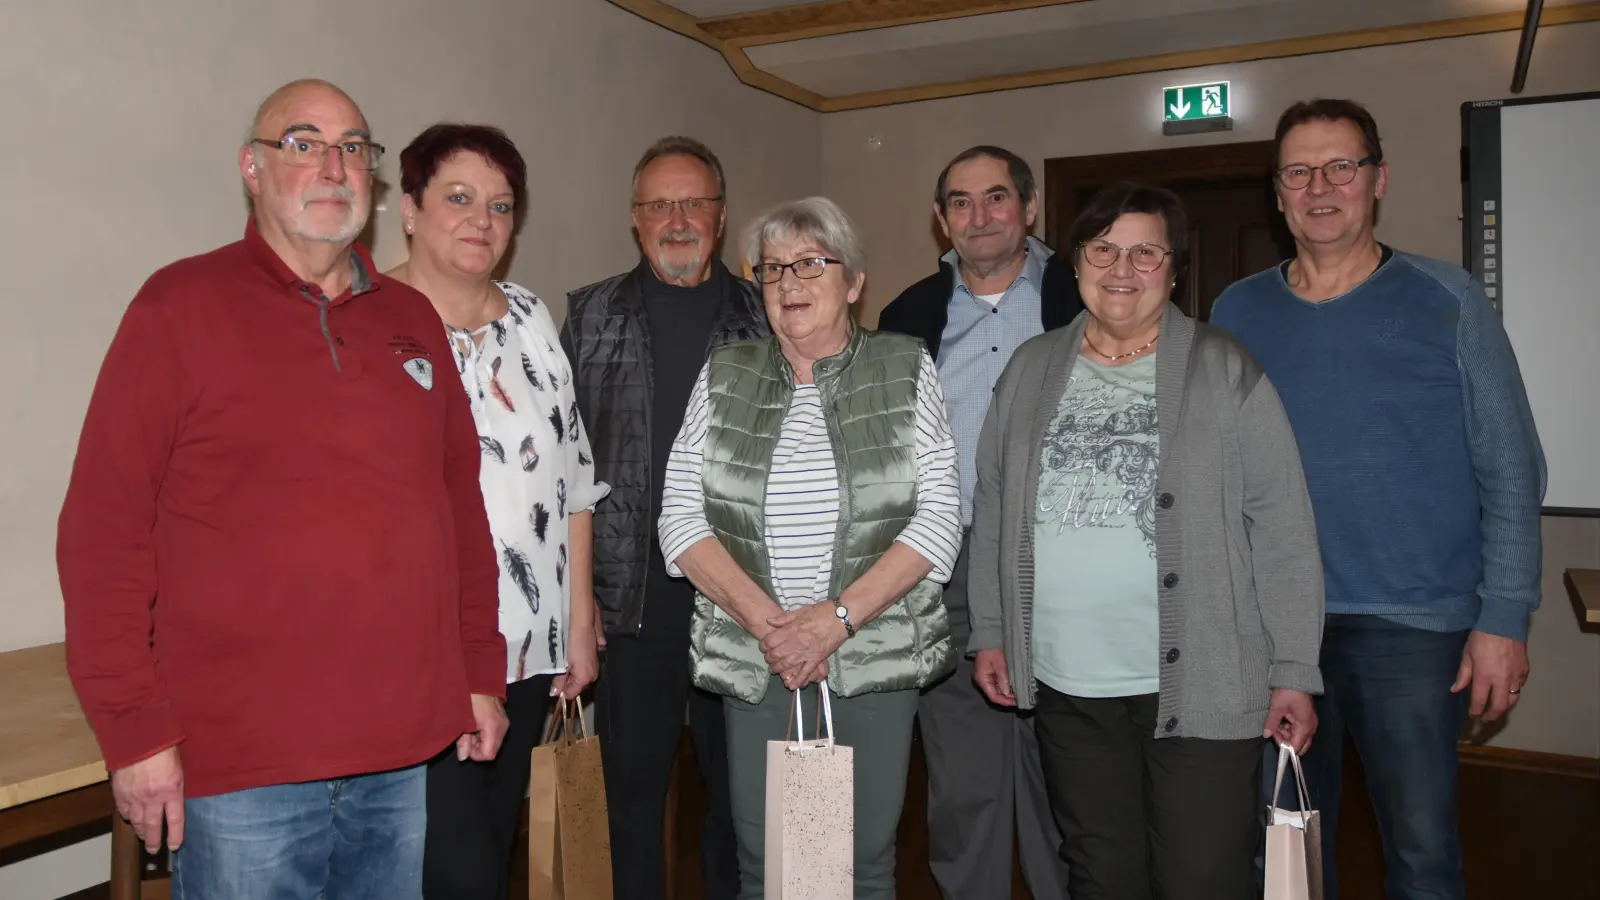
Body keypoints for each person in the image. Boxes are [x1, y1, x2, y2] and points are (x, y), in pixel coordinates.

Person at [56, 80, 507, 900]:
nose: (333, 166)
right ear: (252, 170)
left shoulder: (412, 321)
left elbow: (459, 515)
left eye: (353, 149)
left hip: (399, 755)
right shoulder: (177, 307)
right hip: (241, 771)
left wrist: (480, 670)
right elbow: (101, 533)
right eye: (303, 144)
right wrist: (133, 733)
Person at [1211, 99, 1546, 900]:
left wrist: (1502, 618)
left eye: (1342, 166)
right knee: (1286, 850)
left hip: (1414, 627)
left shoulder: (1447, 298)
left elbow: (1512, 467)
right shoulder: (1236, 312)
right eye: (1299, 170)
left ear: (1378, 179)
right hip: (1278, 627)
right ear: (1278, 191)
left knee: (1423, 855)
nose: (1320, 186)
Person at [968, 182, 1326, 900]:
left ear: (1173, 268)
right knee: (1101, 873)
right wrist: (991, 630)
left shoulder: (1226, 369)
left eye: (1144, 252)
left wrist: (1294, 667)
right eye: (1103, 250)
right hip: (1070, 683)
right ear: (1076, 263)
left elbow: (1282, 524)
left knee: (1201, 876)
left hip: (1205, 685)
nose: (1121, 269)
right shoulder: (1031, 369)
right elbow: (996, 504)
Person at [657, 196, 963, 899]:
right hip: (759, 657)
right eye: (772, 270)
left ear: (853, 281)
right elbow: (680, 516)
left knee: (860, 861)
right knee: (771, 862)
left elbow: (939, 515)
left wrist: (834, 622)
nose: (789, 283)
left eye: (811, 264)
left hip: (872, 652)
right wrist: (774, 628)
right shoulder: (725, 373)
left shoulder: (903, 365)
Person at [385, 123, 608, 900]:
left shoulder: (529, 316)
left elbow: (574, 474)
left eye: (501, 204)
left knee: (491, 843)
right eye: (458, 197)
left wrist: (579, 619)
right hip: (423, 651)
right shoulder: (368, 323)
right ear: (409, 209)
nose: (482, 219)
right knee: (452, 868)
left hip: (532, 646)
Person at [561, 136, 764, 900]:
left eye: (694, 203)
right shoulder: (589, 315)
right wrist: (576, 604)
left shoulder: (765, 315)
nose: (677, 219)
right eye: (659, 205)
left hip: (740, 603)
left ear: (719, 213)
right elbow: (563, 466)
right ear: (635, 219)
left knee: (738, 805)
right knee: (628, 804)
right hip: (629, 603)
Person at [876, 145, 1078, 900]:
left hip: (1063, 566)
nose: (980, 215)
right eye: (961, 202)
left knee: (1066, 779)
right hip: (948, 569)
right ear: (941, 221)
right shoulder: (906, 320)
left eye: (997, 197)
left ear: (1029, 207)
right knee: (963, 784)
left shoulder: (1085, 296)